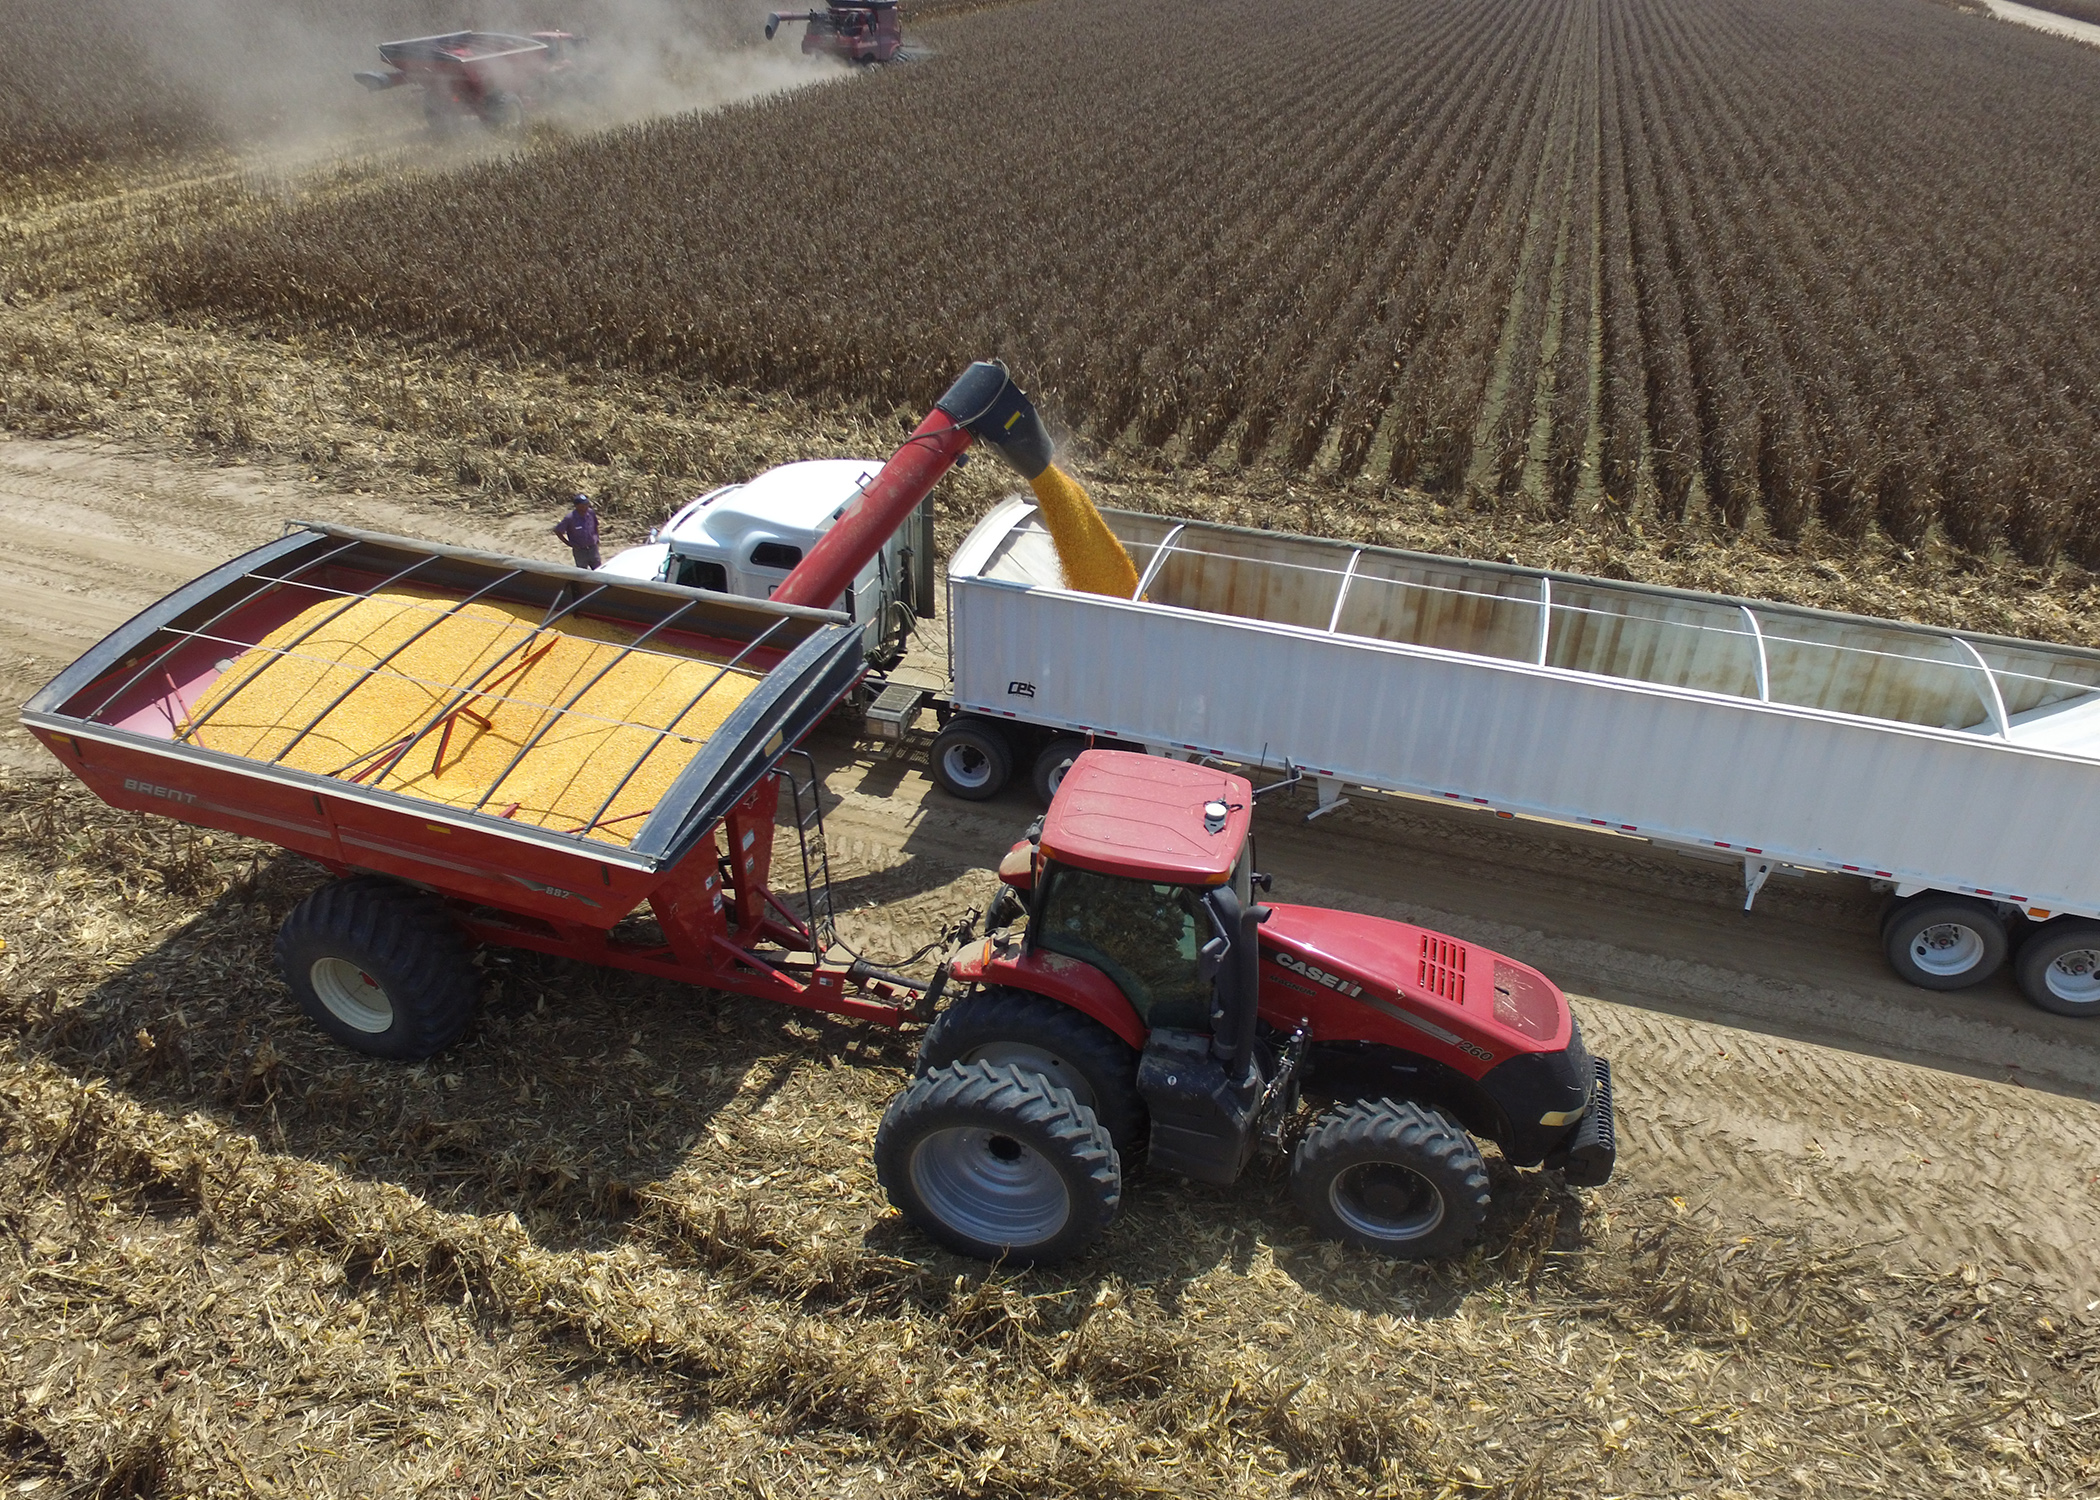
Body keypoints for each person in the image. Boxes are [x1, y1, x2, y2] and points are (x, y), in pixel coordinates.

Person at [554, 493, 601, 570]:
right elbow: (558, 531)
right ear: (577, 506)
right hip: (580, 551)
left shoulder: (591, 513)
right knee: (582, 573)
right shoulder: (570, 518)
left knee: (598, 570)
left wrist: (597, 538)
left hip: (593, 549)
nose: (586, 507)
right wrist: (568, 543)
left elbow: (595, 525)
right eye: (583, 505)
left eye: (587, 504)